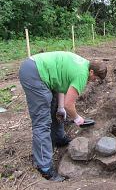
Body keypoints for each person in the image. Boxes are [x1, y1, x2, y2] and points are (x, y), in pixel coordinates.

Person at [19, 51, 107, 181]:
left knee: (54, 106)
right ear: (92, 72)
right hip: (35, 74)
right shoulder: (82, 75)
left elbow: (60, 85)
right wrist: (77, 118)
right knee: (42, 122)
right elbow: (69, 104)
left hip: (39, 69)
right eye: (96, 79)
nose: (94, 81)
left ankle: (58, 138)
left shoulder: (84, 64)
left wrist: (60, 107)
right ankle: (44, 168)